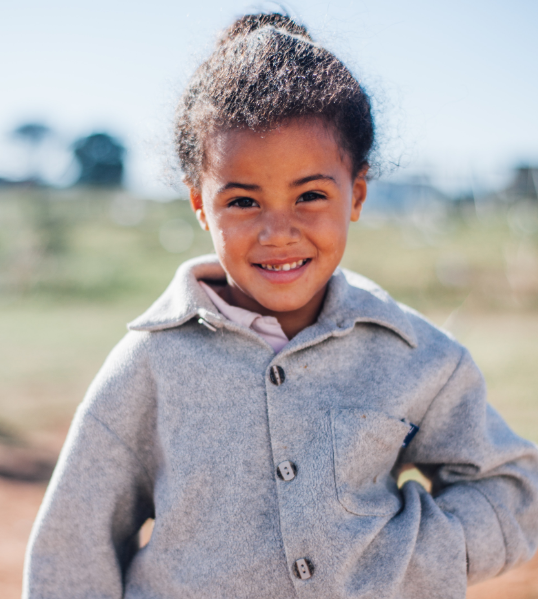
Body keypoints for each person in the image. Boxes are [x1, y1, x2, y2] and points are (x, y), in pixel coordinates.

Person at [23, 12, 538, 599]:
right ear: (200, 204)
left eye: (310, 195)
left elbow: (513, 486)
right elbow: (72, 550)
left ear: (357, 195)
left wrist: (415, 564)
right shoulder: (148, 365)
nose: (278, 232)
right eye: (243, 201)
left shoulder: (412, 355)